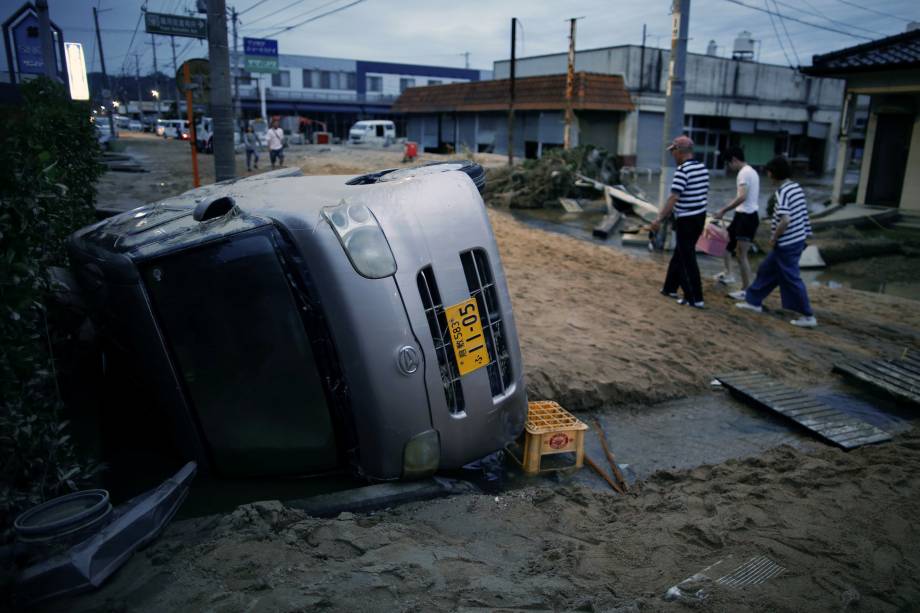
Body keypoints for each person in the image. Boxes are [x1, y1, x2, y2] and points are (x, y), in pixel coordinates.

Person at [736, 156, 817, 328]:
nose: (768, 177)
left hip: (787, 243)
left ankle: (807, 315)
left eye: (769, 173)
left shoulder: (783, 192)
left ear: (774, 174)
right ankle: (753, 301)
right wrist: (806, 235)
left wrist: (774, 237)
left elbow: (785, 219)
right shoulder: (796, 188)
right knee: (767, 270)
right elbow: (803, 215)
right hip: (796, 240)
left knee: (790, 278)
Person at [651, 135, 709, 309]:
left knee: (687, 258)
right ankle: (669, 288)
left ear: (679, 151)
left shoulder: (682, 171)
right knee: (681, 253)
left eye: (673, 152)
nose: (672, 155)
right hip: (700, 216)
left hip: (687, 219)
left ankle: (695, 298)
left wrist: (659, 219)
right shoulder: (703, 168)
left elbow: (673, 198)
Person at [713, 146, 760, 299]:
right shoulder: (750, 171)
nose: (729, 167)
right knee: (727, 246)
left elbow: (742, 197)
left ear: (734, 160)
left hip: (747, 217)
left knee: (741, 255)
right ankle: (729, 274)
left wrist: (723, 210)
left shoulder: (744, 173)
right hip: (741, 215)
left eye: (728, 164)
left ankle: (747, 290)